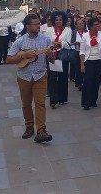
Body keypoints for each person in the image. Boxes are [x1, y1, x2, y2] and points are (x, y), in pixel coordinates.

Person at [6, 13, 54, 143]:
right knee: (26, 104)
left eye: (39, 23)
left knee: (40, 104)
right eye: (36, 24)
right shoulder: (20, 41)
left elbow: (53, 59)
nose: (39, 26)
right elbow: (9, 59)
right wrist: (24, 55)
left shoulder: (45, 40)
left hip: (40, 75)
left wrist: (50, 54)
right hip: (24, 77)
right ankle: (29, 127)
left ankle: (41, 131)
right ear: (28, 26)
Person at [44, 11, 71, 108]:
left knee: (63, 77)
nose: (58, 21)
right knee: (52, 78)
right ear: (53, 20)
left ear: (63, 20)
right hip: (52, 56)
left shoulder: (68, 30)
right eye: (56, 20)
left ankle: (62, 98)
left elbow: (68, 44)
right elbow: (46, 42)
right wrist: (52, 45)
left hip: (63, 55)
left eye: (60, 20)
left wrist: (60, 44)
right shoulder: (49, 30)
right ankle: (53, 100)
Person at [79, 17, 101, 110]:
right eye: (95, 24)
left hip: (99, 60)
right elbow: (82, 51)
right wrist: (82, 64)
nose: (98, 26)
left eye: (98, 24)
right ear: (90, 26)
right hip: (89, 60)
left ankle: (93, 101)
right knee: (88, 81)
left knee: (96, 81)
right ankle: (86, 103)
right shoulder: (85, 36)